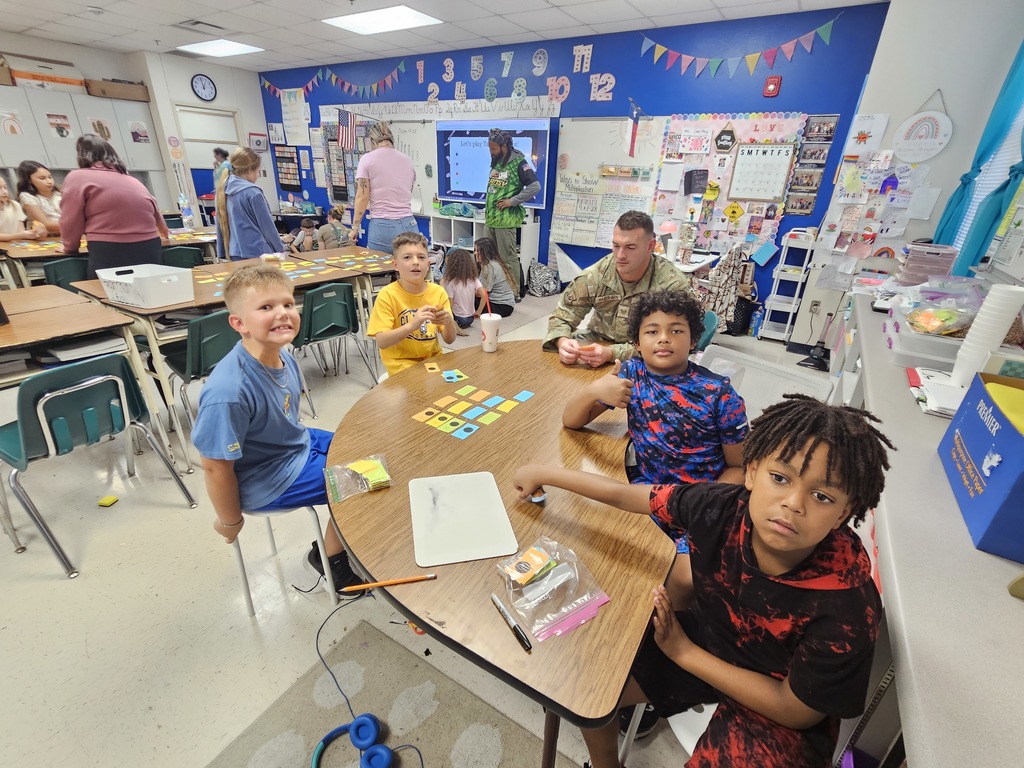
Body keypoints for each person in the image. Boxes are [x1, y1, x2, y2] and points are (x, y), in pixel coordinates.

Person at [514, 395, 894, 768]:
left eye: (821, 496)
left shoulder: (848, 601)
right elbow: (630, 496)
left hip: (775, 701)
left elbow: (795, 711)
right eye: (779, 478)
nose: (794, 503)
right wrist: (547, 474)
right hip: (712, 638)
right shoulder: (719, 506)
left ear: (844, 513)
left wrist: (684, 653)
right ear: (752, 472)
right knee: (589, 688)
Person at [563, 289, 747, 601]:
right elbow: (572, 420)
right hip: (642, 492)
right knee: (604, 553)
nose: (664, 338)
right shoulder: (631, 374)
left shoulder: (720, 395)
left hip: (698, 502)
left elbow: (738, 467)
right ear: (636, 342)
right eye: (652, 331)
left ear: (692, 341)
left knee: (683, 582)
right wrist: (594, 389)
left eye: (676, 330)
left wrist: (707, 506)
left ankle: (662, 634)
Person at [191, 264, 363, 594]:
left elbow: (286, 421)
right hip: (268, 479)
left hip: (292, 446)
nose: (283, 313)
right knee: (370, 476)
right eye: (266, 307)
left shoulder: (282, 354)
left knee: (366, 444)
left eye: (287, 304)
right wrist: (230, 522)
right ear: (238, 323)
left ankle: (339, 543)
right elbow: (214, 466)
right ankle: (331, 560)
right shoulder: (229, 391)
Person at [543, 210, 690, 368]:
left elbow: (674, 342)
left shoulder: (671, 285)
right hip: (598, 340)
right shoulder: (595, 275)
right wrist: (562, 342)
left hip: (646, 353)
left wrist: (612, 353)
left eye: (630, 247)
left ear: (650, 246)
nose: (620, 255)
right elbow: (562, 317)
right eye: (616, 245)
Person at [60, 134, 170, 278]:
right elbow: (153, 205)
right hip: (149, 245)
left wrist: (70, 247)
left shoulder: (77, 177)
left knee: (104, 294)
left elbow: (71, 218)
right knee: (148, 291)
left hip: (110, 247)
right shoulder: (129, 178)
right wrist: (164, 230)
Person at [367, 231, 456, 376]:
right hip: (402, 367)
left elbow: (450, 339)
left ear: (428, 264)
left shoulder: (438, 292)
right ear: (395, 265)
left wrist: (448, 322)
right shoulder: (387, 295)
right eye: (407, 257)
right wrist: (412, 325)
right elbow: (381, 341)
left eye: (421, 257)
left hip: (434, 362)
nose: (415, 262)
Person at [484, 128, 540, 299]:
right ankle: (490, 290)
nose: (491, 151)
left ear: (504, 146)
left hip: (506, 220)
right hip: (491, 218)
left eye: (493, 148)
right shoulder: (497, 161)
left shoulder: (520, 162)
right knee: (487, 258)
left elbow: (535, 187)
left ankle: (514, 292)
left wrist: (512, 201)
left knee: (508, 258)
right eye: (489, 148)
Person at [352, 121, 416, 254]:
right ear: (392, 139)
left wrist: (355, 227)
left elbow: (362, 197)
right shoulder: (407, 160)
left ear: (372, 141)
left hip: (382, 225)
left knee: (380, 272)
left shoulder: (367, 159)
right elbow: (407, 191)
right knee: (410, 271)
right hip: (409, 224)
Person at [216, 147, 286, 261]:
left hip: (234, 253)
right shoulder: (253, 193)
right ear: (249, 170)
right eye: (258, 171)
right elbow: (267, 227)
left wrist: (221, 252)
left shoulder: (222, 190)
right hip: (259, 253)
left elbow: (220, 226)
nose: (258, 175)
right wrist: (281, 251)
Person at [441, 248, 488, 336]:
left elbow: (449, 305)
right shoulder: (474, 279)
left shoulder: (451, 283)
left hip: (459, 318)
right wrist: (479, 311)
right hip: (471, 318)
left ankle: (454, 326)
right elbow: (484, 295)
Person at [16, 160, 62, 235]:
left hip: (71, 234)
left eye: (50, 177)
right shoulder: (27, 197)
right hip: (47, 239)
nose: (49, 181)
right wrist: (76, 224)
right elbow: (47, 224)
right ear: (29, 180)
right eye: (42, 178)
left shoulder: (59, 193)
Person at [474, 237, 515, 319]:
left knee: (465, 298)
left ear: (486, 253)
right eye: (475, 250)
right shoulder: (493, 263)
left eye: (478, 251)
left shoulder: (489, 267)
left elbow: (483, 294)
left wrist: (478, 311)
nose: (475, 253)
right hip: (507, 304)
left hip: (501, 306)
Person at [0, 177, 45, 242]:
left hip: (14, 247)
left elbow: (21, 231)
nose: (4, 192)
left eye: (5, 187)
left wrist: (36, 233)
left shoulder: (14, 205)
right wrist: (19, 235)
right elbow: (20, 235)